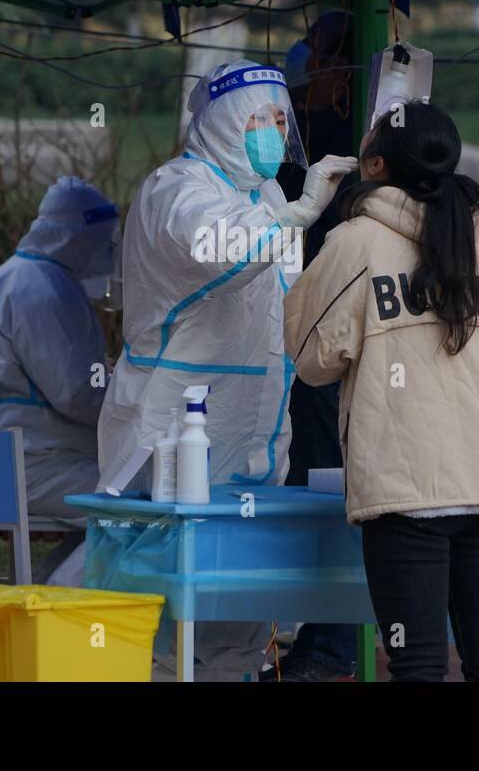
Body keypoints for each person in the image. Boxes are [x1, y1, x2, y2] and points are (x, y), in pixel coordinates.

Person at [96, 59, 356, 680]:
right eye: (256, 119)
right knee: (163, 621)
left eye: (277, 119)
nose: (270, 130)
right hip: (169, 437)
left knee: (237, 614)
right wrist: (295, 216)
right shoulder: (177, 189)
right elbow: (223, 252)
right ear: (221, 125)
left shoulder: (263, 198)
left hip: (254, 445)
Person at [284, 102, 479, 682]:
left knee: (418, 664)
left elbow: (310, 361)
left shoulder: (354, 245)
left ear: (374, 165)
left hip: (407, 486)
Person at [0, 176, 119, 583]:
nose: (110, 253)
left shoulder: (20, 277)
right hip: (32, 463)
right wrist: (132, 391)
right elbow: (78, 394)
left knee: (133, 500)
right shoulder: (44, 291)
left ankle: (47, 596)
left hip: (11, 454)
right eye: (104, 240)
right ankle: (56, 605)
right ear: (79, 237)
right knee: (142, 507)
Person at [269, 12, 361, 680]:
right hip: (315, 348)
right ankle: (317, 640)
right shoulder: (313, 134)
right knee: (314, 486)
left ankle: (329, 645)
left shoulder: (338, 138)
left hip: (326, 349)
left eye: (321, 58)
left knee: (325, 489)